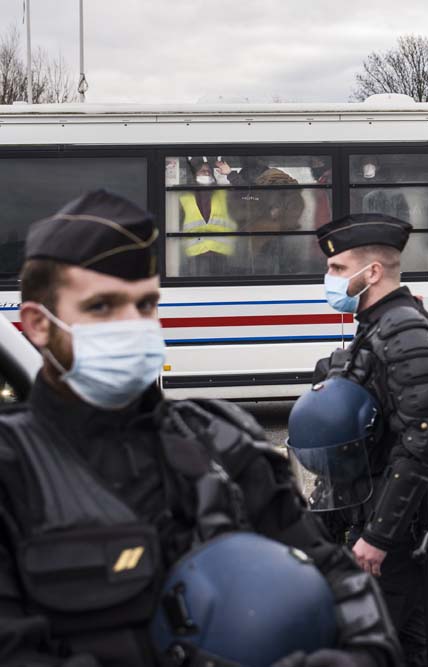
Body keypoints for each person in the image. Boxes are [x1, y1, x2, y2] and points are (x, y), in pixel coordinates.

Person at [0, 190, 401, 667]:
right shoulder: (12, 470)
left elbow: (332, 573)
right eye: (103, 308)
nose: (133, 325)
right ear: (37, 325)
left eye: (145, 305)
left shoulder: (219, 441)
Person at [313, 213, 428, 666]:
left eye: (338, 270)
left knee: (366, 643)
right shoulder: (378, 324)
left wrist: (377, 536)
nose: (329, 279)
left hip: (407, 520)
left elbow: (421, 440)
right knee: (406, 643)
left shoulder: (403, 329)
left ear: (372, 272)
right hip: (385, 509)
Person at [179, 157, 238, 276]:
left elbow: (247, 195)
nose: (206, 173)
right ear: (194, 175)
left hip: (220, 254)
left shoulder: (223, 193)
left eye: (209, 171)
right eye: (202, 171)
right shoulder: (183, 197)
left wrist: (230, 174)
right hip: (196, 255)